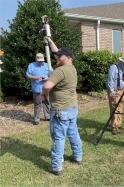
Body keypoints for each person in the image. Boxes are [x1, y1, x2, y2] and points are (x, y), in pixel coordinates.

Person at [40, 37, 83, 175]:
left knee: (58, 138)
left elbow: (47, 86)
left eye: (60, 56)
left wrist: (43, 94)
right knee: (73, 133)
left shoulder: (60, 70)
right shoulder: (72, 68)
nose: (57, 58)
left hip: (60, 110)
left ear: (68, 57)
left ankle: (56, 166)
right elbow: (57, 53)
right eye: (57, 56)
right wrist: (50, 41)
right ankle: (77, 156)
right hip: (72, 108)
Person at [106, 55, 124, 135]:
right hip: (115, 91)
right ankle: (114, 127)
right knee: (114, 108)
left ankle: (118, 124)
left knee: (119, 107)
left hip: (121, 91)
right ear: (121, 61)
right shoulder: (114, 67)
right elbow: (110, 80)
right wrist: (111, 92)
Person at [26, 53, 51, 125]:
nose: (40, 62)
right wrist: (35, 77)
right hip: (37, 89)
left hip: (46, 88)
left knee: (47, 102)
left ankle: (48, 116)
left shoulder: (47, 65)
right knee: (37, 104)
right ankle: (36, 119)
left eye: (42, 61)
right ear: (35, 59)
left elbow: (53, 75)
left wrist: (48, 78)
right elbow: (28, 76)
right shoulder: (31, 65)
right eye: (39, 61)